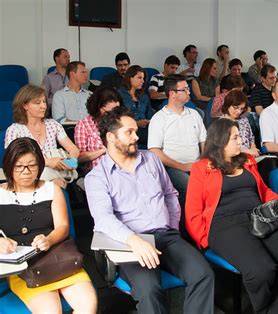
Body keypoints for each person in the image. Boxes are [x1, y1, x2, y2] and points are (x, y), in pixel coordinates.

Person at [85, 107, 214, 313]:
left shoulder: (151, 160)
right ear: (110, 137)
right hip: (131, 244)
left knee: (203, 274)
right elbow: (103, 218)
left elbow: (170, 194)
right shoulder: (97, 177)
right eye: (129, 132)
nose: (136, 137)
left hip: (166, 235)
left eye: (136, 131)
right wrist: (134, 240)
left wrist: (171, 225)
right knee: (149, 290)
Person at [186, 118, 278, 314]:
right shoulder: (202, 167)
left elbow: (263, 190)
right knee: (261, 270)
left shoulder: (248, 160)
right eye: (234, 138)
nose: (240, 141)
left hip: (259, 218)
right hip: (224, 224)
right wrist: (204, 238)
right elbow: (192, 210)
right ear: (220, 140)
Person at [0, 137, 97, 313]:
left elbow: (62, 227)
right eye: (19, 166)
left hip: (58, 258)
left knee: (88, 305)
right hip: (23, 267)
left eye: (32, 165)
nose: (26, 171)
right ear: (9, 166)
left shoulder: (52, 189)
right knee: (51, 311)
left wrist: (48, 240)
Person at [148, 74, 207, 234]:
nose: (189, 92)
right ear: (172, 94)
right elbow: (154, 151)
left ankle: (207, 227)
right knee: (189, 186)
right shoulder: (159, 119)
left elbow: (204, 143)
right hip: (171, 168)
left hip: (196, 165)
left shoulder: (194, 114)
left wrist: (202, 162)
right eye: (185, 89)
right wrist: (182, 166)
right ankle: (187, 232)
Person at [5, 85, 79, 188]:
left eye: (44, 102)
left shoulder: (53, 124)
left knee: (55, 182)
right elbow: (14, 159)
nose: (43, 106)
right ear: (25, 105)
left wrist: (70, 161)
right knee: (52, 183)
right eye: (38, 103)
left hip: (57, 172)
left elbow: (73, 149)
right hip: (29, 172)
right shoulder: (15, 130)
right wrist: (47, 162)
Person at [74, 86, 122, 172]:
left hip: (121, 169)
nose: (113, 115)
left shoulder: (120, 121)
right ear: (99, 107)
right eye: (109, 112)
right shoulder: (84, 124)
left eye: (116, 111)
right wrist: (104, 150)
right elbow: (79, 157)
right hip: (97, 171)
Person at [118, 65, 155, 146]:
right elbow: (117, 117)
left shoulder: (144, 96)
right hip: (128, 129)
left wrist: (149, 121)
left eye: (143, 78)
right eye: (139, 78)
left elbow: (150, 115)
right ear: (130, 78)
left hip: (145, 128)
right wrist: (136, 123)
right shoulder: (119, 94)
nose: (143, 81)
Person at [221, 90, 259, 157]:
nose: (238, 111)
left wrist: (253, 148)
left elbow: (251, 138)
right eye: (236, 108)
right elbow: (224, 148)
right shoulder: (221, 123)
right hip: (233, 157)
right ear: (228, 105)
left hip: (249, 155)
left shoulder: (244, 120)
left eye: (241, 109)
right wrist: (247, 151)